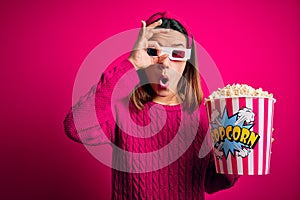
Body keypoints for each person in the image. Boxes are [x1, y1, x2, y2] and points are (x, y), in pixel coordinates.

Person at [64, 11, 239, 200]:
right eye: (153, 52)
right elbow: (75, 128)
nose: (164, 63)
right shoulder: (122, 109)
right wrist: (131, 63)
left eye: (177, 53)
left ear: (188, 61)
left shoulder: (205, 115)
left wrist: (238, 149)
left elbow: (214, 182)